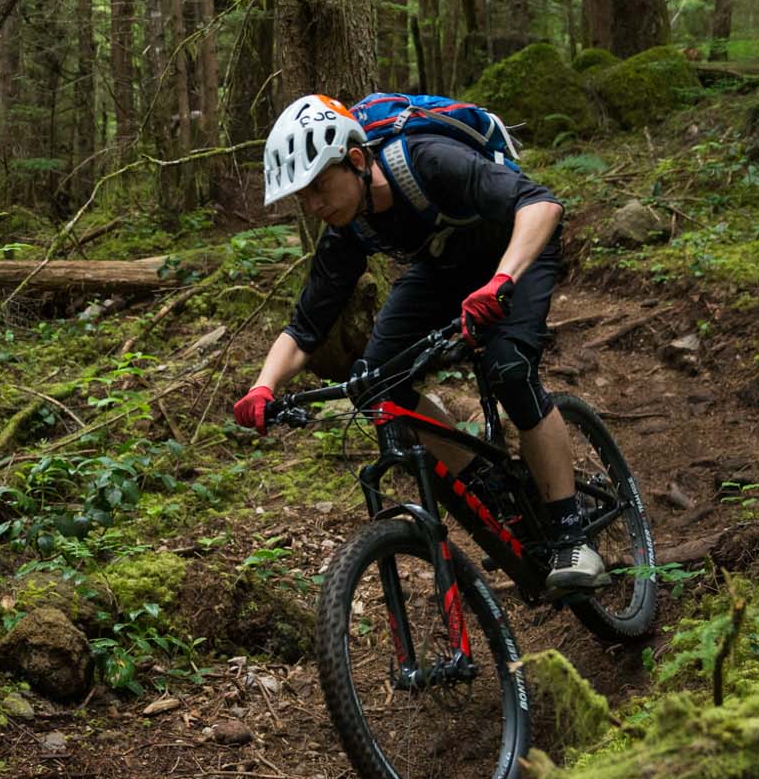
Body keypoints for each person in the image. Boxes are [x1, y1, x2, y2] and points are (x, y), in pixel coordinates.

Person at [231, 93, 607, 590]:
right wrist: (263, 386)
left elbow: (540, 203)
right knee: (375, 382)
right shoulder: (348, 227)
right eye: (304, 197)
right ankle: (489, 485)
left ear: (357, 161)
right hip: (445, 267)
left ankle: (570, 533)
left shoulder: (427, 159)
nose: (314, 205)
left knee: (508, 367)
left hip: (516, 248)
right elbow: (305, 327)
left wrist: (500, 282)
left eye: (320, 186)